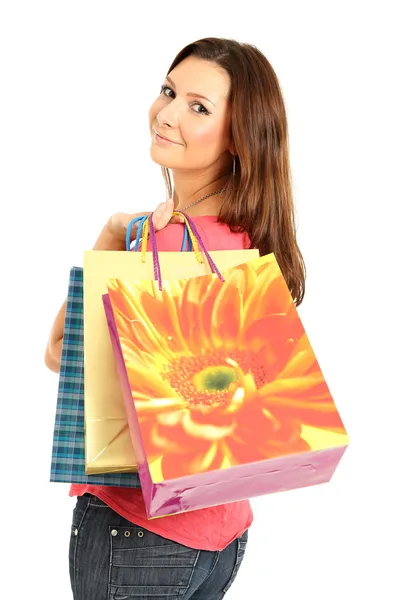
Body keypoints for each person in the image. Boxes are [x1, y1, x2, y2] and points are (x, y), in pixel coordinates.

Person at [45, 37, 306, 600]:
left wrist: (113, 234)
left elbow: (60, 353)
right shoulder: (248, 239)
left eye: (198, 107)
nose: (166, 114)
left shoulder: (163, 244)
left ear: (238, 136)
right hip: (223, 534)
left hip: (137, 531)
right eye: (168, 91)